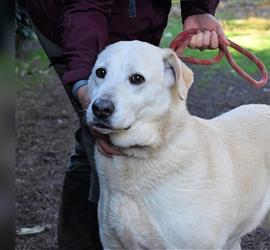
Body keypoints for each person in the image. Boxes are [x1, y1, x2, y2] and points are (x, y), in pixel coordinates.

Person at [24, 0, 228, 249]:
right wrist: (83, 86)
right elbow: (84, 10)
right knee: (100, 138)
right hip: (70, 20)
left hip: (139, 18)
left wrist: (198, 9)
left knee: (122, 124)